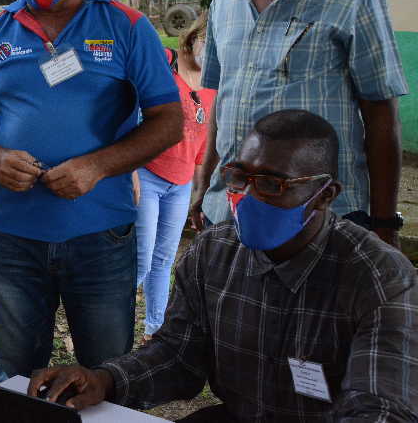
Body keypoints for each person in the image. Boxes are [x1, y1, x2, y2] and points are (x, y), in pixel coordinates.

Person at [30, 109, 418, 421]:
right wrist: (105, 380)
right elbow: (178, 355)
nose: (247, 197)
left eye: (272, 184)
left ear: (324, 195)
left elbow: (381, 407)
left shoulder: (380, 278)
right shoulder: (213, 253)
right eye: (239, 177)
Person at [0, 0, 183, 381]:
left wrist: (96, 166)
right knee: (17, 376)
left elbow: (169, 121)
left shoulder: (126, 26)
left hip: (100, 237)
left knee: (104, 374)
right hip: (13, 240)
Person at [190, 0, 408, 247]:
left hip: (319, 217)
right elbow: (220, 107)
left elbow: (380, 113)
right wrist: (204, 187)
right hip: (230, 210)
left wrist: (383, 221)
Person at [134, 12, 215, 341]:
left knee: (164, 260)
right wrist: (130, 171)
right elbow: (133, 111)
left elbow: (202, 142)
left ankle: (155, 331)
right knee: (141, 258)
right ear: (193, 37)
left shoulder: (213, 81)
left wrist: (200, 192)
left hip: (180, 185)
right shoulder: (165, 64)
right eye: (206, 42)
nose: (209, 51)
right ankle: (112, 326)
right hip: (148, 174)